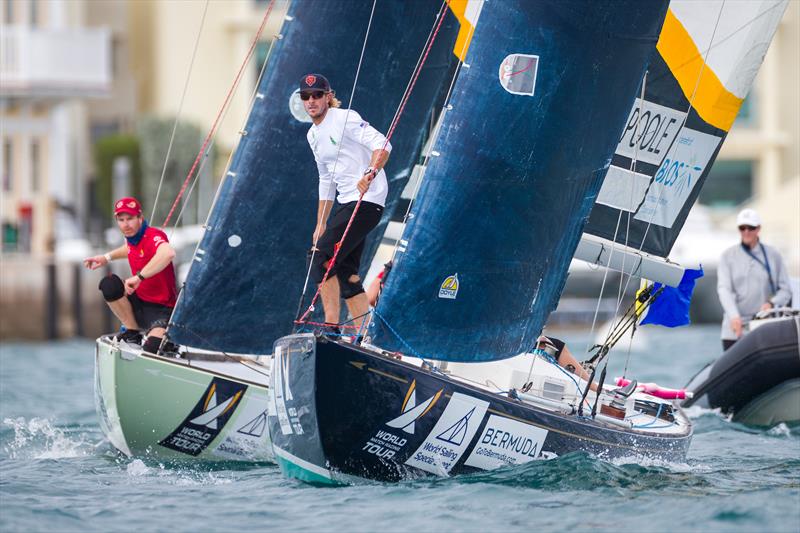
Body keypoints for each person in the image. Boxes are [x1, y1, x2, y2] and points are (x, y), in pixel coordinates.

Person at [301, 73, 391, 333]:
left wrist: (371, 172)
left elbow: (383, 144)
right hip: (347, 203)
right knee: (347, 274)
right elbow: (326, 179)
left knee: (319, 258)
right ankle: (365, 335)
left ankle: (331, 327)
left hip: (367, 200)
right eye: (306, 97)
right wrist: (321, 223)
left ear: (328, 97)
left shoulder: (346, 118)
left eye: (317, 95)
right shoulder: (312, 135)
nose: (311, 101)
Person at [83, 197, 178, 354]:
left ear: (140, 218)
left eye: (130, 219)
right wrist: (106, 258)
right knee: (109, 284)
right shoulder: (132, 240)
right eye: (121, 220)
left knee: (151, 349)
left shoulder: (154, 235)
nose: (126, 224)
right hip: (139, 303)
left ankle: (164, 342)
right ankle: (133, 333)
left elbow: (168, 253)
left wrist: (139, 277)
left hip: (162, 309)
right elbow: (128, 249)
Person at [717, 208, 792, 350]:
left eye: (750, 227)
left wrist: (771, 303)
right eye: (742, 227)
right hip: (734, 330)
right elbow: (724, 289)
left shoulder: (773, 254)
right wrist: (734, 317)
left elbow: (785, 290)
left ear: (758, 228)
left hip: (763, 326)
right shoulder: (727, 256)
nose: (746, 231)